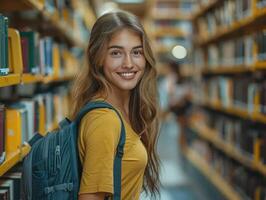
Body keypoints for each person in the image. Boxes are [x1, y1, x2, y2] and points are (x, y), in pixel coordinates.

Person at [70, 10, 160, 200]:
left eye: (136, 52)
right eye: (116, 53)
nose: (128, 63)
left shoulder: (124, 110)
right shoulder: (104, 120)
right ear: (98, 58)